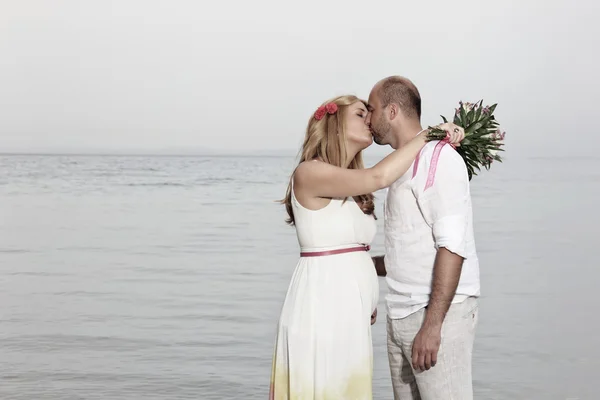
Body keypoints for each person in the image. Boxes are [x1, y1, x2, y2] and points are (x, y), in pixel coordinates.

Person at [268, 94, 464, 400]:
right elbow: (379, 176)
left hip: (350, 311)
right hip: (322, 306)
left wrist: (365, 288)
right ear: (335, 123)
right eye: (361, 114)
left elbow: (352, 252)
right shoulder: (309, 173)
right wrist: (428, 135)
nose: (370, 121)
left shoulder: (350, 187)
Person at [367, 76, 480, 400]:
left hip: (436, 314)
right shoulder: (401, 165)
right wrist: (357, 264)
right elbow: (407, 252)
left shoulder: (439, 159)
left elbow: (452, 247)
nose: (368, 119)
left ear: (392, 111)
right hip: (400, 313)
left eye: (372, 110)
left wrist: (433, 326)